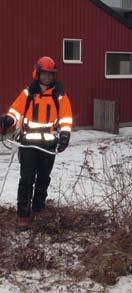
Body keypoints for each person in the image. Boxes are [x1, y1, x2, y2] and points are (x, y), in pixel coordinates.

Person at [0, 56, 73, 231]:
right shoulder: (28, 93)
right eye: (44, 74)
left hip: (48, 146)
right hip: (28, 146)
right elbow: (15, 111)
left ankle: (38, 208)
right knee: (26, 180)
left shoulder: (60, 95)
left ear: (53, 75)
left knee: (43, 178)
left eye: (50, 74)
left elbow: (66, 118)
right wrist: (8, 120)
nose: (47, 78)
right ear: (37, 74)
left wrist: (65, 135)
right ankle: (23, 215)